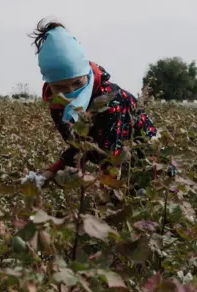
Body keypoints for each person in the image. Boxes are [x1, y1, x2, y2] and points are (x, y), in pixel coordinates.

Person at [22, 19, 159, 189]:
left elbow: (113, 162)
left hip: (151, 172)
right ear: (49, 84)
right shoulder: (58, 106)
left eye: (78, 83)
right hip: (119, 173)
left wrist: (95, 198)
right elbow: (80, 146)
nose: (71, 92)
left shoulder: (111, 101)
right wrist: (47, 174)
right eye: (61, 87)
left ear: (86, 73)